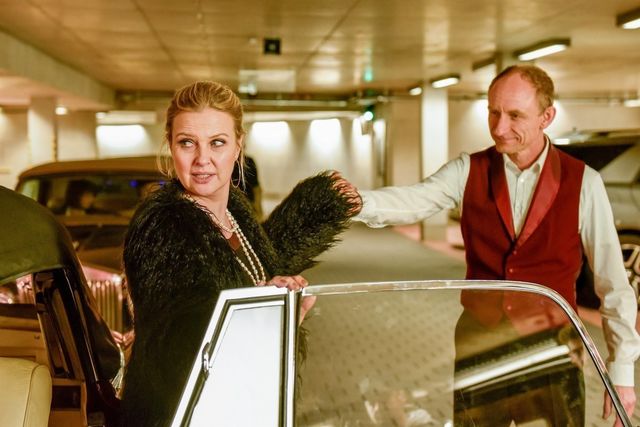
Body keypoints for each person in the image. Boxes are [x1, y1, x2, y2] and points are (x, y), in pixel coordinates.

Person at [351, 65, 640, 425]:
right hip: (479, 344)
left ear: (547, 117)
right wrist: (355, 202)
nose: (499, 128)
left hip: (554, 349)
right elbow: (414, 200)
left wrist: (622, 371)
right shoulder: (468, 169)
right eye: (493, 112)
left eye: (515, 115)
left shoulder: (585, 182)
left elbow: (613, 283)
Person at [120, 81, 360, 426]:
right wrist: (266, 319)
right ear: (170, 145)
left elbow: (256, 266)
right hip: (184, 415)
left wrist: (320, 209)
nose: (202, 160)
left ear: (238, 146)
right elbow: (180, 346)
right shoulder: (163, 226)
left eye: (217, 142)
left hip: (239, 406)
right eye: (187, 143)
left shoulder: (234, 211)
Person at [232, 154, 264, 220]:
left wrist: (258, 208)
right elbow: (257, 188)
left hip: (248, 203)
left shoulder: (249, 161)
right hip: (234, 204)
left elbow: (256, 187)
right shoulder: (227, 161)